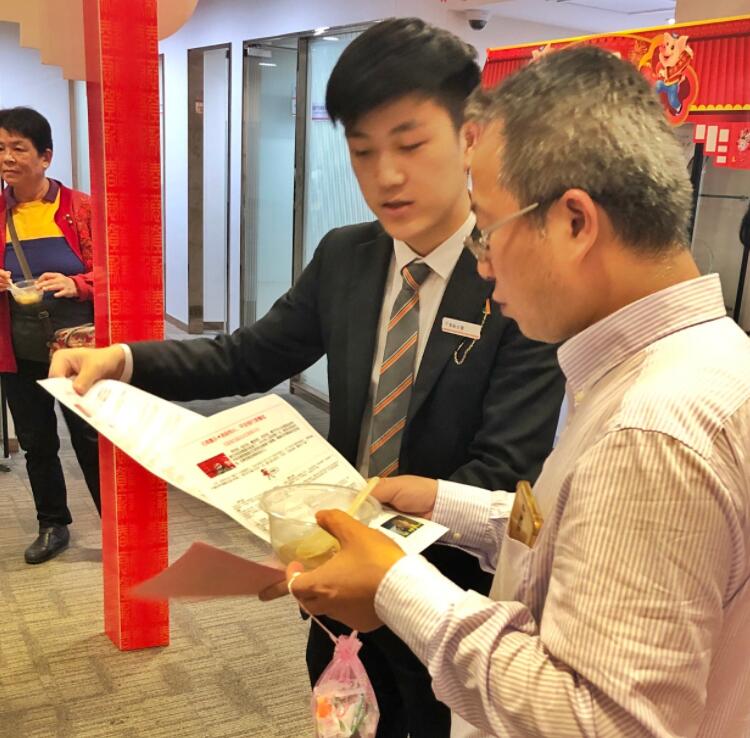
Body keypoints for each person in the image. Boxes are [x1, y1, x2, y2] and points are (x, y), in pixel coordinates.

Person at [49, 19, 564, 738]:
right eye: (363, 151)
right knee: (343, 721)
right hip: (335, 592)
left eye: (410, 144)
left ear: (470, 136)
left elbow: (503, 469)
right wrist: (126, 359)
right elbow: (248, 356)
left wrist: (379, 562)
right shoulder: (348, 255)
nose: (386, 175)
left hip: (453, 603)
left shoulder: (515, 275)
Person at [261, 46, 750, 738]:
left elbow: (598, 719)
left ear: (574, 223)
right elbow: (572, 533)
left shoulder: (650, 433)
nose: (483, 267)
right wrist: (451, 504)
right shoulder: (698, 361)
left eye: (487, 232)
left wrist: (397, 588)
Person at [0, 107, 101, 564]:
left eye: (18, 148)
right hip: (17, 349)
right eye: (1, 148)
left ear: (46, 156)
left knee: (91, 439)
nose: (7, 158)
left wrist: (77, 283)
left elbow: (121, 272)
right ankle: (52, 523)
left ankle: (116, 525)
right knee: (37, 442)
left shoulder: (82, 209)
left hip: (80, 348)